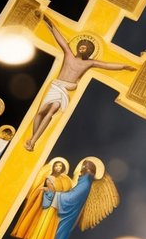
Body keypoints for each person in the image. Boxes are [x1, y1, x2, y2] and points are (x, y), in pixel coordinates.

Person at [24, 11, 137, 151]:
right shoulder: (68, 54)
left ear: (89, 52)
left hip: (64, 90)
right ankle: (33, 139)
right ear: (77, 47)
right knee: (40, 113)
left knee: (51, 111)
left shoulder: (88, 63)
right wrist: (47, 20)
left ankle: (33, 141)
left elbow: (107, 65)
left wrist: (123, 67)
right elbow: (59, 38)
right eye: (81, 46)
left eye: (86, 48)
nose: (83, 48)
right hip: (56, 86)